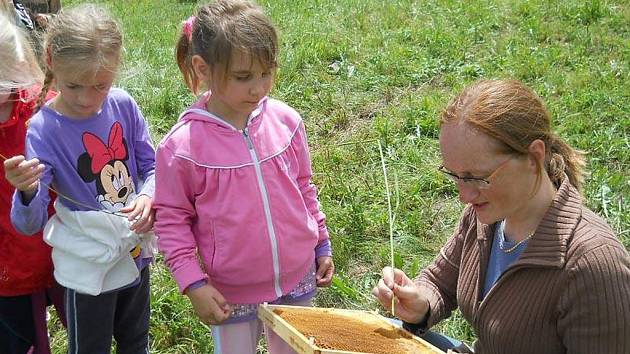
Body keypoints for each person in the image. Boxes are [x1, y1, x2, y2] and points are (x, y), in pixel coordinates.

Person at [372, 79, 630, 354]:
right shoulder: (486, 216)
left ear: (534, 157)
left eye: (477, 177)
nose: (464, 195)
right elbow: (438, 282)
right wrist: (420, 303)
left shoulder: (593, 266)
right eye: (455, 176)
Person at [153, 1, 334, 353]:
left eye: (267, 72)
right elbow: (172, 222)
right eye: (243, 77)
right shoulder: (182, 148)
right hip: (229, 294)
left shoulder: (286, 122)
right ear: (202, 68)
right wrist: (193, 284)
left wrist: (320, 242)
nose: (259, 88)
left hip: (298, 277)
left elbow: (304, 187)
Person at [4, 5, 156, 354]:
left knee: (136, 342)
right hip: (88, 266)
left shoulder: (123, 105)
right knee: (90, 346)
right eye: (73, 86)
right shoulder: (43, 130)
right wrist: (26, 191)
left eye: (100, 85)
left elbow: (152, 167)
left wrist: (149, 195)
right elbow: (28, 224)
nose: (87, 99)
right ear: (50, 60)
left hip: (135, 253)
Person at [0, 12, 66, 354]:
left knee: (86, 332)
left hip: (59, 251)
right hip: (8, 270)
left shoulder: (43, 107)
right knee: (20, 340)